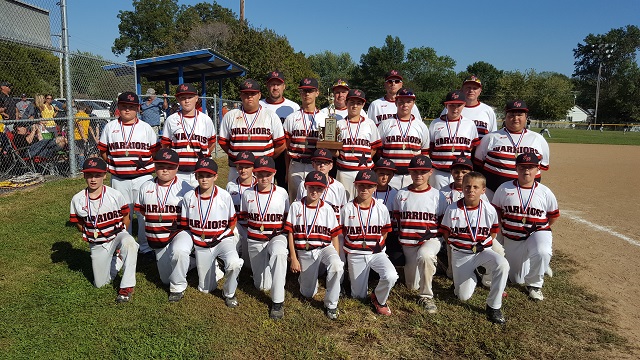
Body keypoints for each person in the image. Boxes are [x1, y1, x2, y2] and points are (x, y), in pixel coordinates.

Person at [440, 171, 509, 324]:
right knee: (463, 296)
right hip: (461, 254)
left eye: (476, 187)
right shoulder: (453, 209)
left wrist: (482, 245)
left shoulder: (488, 209)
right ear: (462, 188)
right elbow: (445, 231)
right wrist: (456, 244)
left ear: (483, 190)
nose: (471, 190)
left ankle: (494, 306)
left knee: (502, 264)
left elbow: (493, 232)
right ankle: (472, 276)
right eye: (468, 186)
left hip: (482, 252)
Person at [491, 153, 560, 301]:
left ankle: (535, 285)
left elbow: (552, 216)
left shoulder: (545, 192)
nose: (526, 171)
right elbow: (495, 212)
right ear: (516, 168)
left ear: (538, 169)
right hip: (512, 236)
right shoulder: (504, 188)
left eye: (530, 167)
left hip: (536, 231)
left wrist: (540, 230)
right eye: (522, 167)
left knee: (543, 251)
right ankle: (538, 263)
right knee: (517, 280)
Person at [69, 158, 139, 303]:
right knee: (101, 284)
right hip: (97, 243)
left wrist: (122, 235)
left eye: (97, 175)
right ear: (84, 176)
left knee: (130, 243)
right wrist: (90, 234)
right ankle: (118, 259)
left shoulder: (115, 195)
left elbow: (126, 217)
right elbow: (78, 223)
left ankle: (126, 287)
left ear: (105, 175)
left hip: (116, 235)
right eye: (89, 175)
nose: (93, 179)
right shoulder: (78, 199)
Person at [97, 91, 158, 257]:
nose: (127, 109)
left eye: (131, 107)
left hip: (143, 178)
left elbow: (155, 150)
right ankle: (126, 246)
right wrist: (115, 163)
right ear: (118, 107)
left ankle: (145, 247)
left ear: (137, 108)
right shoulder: (110, 127)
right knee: (123, 213)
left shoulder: (145, 128)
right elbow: (103, 150)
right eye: (124, 106)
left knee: (143, 213)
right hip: (119, 178)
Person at [180, 157, 243, 306]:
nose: (204, 179)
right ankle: (215, 267)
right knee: (205, 289)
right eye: (201, 176)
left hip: (222, 240)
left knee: (234, 263)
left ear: (216, 176)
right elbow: (185, 226)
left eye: (208, 176)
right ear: (195, 176)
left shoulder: (224, 196)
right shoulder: (188, 197)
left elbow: (232, 222)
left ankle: (229, 293)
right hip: (201, 244)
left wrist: (220, 237)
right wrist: (195, 244)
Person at [135, 148, 194, 302]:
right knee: (165, 279)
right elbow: (141, 211)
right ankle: (193, 261)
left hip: (179, 231)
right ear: (154, 166)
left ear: (177, 167)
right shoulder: (145, 186)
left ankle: (178, 288)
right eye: (161, 165)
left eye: (170, 166)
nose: (165, 170)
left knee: (179, 252)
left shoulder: (186, 187)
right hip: (158, 236)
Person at [286, 171, 344, 320]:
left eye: (319, 189)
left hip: (324, 247)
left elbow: (334, 235)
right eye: (311, 187)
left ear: (324, 190)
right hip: (304, 251)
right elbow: (291, 233)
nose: (315, 191)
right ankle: (306, 280)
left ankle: (331, 304)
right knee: (307, 293)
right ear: (306, 186)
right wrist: (293, 257)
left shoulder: (327, 208)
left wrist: (336, 256)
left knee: (337, 265)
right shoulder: (296, 206)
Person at [393, 155, 448, 313]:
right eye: (415, 171)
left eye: (423, 171)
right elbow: (397, 221)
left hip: (429, 240)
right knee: (411, 285)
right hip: (408, 242)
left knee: (425, 255)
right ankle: (430, 266)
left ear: (430, 172)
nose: (419, 175)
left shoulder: (438, 195)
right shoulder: (401, 194)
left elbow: (442, 222)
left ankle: (426, 296)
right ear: (410, 172)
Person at [239, 156, 290, 319]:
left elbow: (286, 216)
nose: (264, 178)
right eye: (260, 174)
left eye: (267, 174)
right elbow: (245, 217)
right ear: (255, 174)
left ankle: (277, 302)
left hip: (276, 236)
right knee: (262, 286)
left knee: (279, 253)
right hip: (255, 239)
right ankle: (271, 270)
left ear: (274, 173)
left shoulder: (282, 192)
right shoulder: (247, 193)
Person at [341, 169, 398, 315]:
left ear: (375, 187)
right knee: (358, 296)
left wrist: (376, 246)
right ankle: (357, 285)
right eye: (361, 185)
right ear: (355, 186)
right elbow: (342, 232)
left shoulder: (381, 208)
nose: (364, 189)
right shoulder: (347, 209)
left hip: (376, 252)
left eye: (368, 186)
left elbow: (385, 231)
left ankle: (378, 298)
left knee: (391, 276)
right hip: (355, 253)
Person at [474, 100, 550, 201]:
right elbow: (477, 165)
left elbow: (541, 166)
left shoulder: (538, 139)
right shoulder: (490, 137)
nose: (515, 118)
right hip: (492, 193)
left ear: (526, 117)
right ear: (505, 116)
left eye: (520, 115)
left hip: (527, 194)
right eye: (511, 114)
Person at [219, 79, 286, 182]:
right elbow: (223, 141)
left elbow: (281, 144)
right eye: (246, 94)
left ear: (259, 95)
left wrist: (268, 158)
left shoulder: (270, 115)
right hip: (238, 168)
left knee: (262, 196)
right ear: (241, 95)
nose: (249, 96)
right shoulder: (230, 115)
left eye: (253, 93)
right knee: (236, 196)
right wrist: (234, 155)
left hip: (262, 169)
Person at [295, 148, 348, 262]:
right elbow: (298, 211)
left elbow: (342, 213)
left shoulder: (338, 187)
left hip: (333, 234)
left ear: (331, 165)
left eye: (325, 162)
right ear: (313, 164)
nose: (322, 165)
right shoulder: (303, 185)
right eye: (318, 162)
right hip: (310, 233)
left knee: (339, 268)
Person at [161, 83, 217, 187]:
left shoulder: (205, 119)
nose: (187, 101)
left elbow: (212, 142)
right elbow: (166, 145)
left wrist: (203, 156)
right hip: (178, 172)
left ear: (196, 98)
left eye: (190, 97)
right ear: (178, 99)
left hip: (200, 172)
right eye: (183, 98)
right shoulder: (171, 120)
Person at [283, 77, 327, 202]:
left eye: (310, 90)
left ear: (317, 92)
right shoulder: (291, 118)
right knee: (295, 202)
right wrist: (287, 170)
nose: (307, 94)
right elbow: (286, 147)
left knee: (316, 200)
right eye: (304, 91)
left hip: (316, 166)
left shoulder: (325, 119)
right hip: (296, 164)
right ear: (300, 93)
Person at [377, 88, 430, 189]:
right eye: (401, 101)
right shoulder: (385, 124)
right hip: (390, 176)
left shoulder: (421, 126)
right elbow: (379, 151)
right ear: (396, 102)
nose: (405, 105)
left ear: (413, 103)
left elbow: (425, 153)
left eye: (408, 101)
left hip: (412, 176)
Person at [335, 89, 381, 200]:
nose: (355, 106)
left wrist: (364, 160)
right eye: (352, 102)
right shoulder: (338, 124)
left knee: (364, 202)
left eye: (358, 103)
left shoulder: (369, 124)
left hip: (364, 172)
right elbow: (335, 150)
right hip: (344, 172)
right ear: (346, 103)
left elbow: (374, 147)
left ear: (363, 105)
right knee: (344, 203)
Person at [429, 90, 479, 190]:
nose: (455, 109)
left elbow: (473, 148)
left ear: (464, 105)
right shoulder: (435, 123)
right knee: (438, 202)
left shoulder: (469, 124)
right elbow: (430, 147)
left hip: (461, 173)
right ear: (446, 105)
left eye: (458, 105)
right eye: (451, 105)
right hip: (439, 172)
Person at [260, 70, 300, 191]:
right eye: (272, 84)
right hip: (264, 151)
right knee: (263, 187)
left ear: (284, 87)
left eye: (278, 84)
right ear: (267, 86)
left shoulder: (293, 107)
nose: (275, 87)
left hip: (284, 154)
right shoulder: (260, 105)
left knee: (285, 187)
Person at [440, 75, 497, 141]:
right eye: (468, 87)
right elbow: (441, 129)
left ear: (480, 91)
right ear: (462, 89)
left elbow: (493, 136)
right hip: (457, 149)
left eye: (475, 88)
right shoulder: (450, 108)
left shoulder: (488, 110)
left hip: (481, 150)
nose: (471, 90)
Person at [225, 150, 256, 268]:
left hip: (252, 225)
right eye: (240, 167)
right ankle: (230, 263)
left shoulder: (259, 185)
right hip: (237, 224)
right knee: (233, 235)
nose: (243, 170)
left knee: (249, 265)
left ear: (253, 167)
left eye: (247, 167)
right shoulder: (230, 185)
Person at [372, 158, 403, 266]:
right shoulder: (368, 192)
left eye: (388, 174)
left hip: (391, 233)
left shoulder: (396, 194)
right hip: (372, 232)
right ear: (374, 172)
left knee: (398, 258)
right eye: (381, 173)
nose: (385, 177)